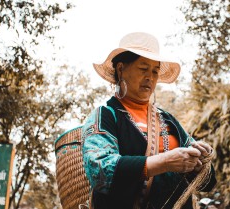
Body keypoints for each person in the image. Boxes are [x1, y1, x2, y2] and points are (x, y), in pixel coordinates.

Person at [82, 32, 216, 209]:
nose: (150, 77)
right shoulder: (106, 116)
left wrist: (200, 164)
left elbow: (208, 184)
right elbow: (99, 170)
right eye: (143, 69)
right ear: (121, 69)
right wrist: (165, 162)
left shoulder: (169, 120)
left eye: (155, 71)